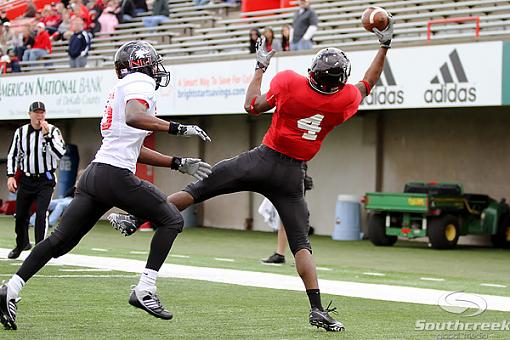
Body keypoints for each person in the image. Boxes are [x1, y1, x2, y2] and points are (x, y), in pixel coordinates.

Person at [107, 16, 395, 332]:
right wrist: (384, 45)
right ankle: (316, 309)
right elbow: (369, 81)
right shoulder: (345, 99)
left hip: (262, 159)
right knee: (300, 244)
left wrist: (259, 67)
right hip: (292, 175)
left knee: (199, 188)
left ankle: (137, 219)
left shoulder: (289, 81)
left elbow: (251, 106)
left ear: (312, 72)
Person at [0, 40, 213, 330]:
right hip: (113, 176)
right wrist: (178, 128)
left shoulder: (121, 89)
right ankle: (145, 289)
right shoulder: (140, 82)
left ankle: (10, 288)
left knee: (59, 242)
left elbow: (132, 146)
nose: (156, 67)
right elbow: (135, 117)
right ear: (140, 64)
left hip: (96, 175)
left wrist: (176, 162)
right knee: (172, 219)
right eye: (152, 61)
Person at [5, 101, 66, 260]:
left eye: (42, 113)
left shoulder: (53, 130)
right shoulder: (21, 132)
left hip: (45, 179)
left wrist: (47, 137)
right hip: (26, 179)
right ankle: (21, 244)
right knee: (20, 215)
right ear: (30, 114)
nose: (39, 116)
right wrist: (11, 175)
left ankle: (40, 249)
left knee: (41, 214)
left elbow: (59, 154)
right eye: (36, 113)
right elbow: (13, 154)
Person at [262, 163, 313, 264]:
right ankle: (280, 254)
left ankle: (302, 255)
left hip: (294, 175)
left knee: (294, 218)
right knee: (285, 218)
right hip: (287, 175)